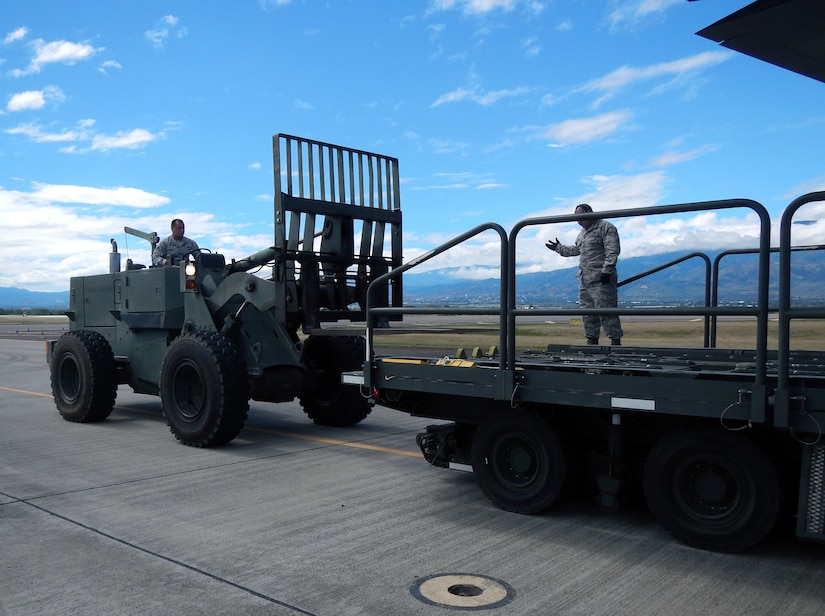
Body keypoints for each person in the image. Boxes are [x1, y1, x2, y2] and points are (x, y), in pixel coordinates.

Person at [546, 203, 623, 345]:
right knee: (588, 313)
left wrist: (607, 271)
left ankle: (615, 344)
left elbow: (612, 250)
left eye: (581, 216)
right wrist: (559, 248)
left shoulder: (606, 227)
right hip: (585, 279)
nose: (578, 221)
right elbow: (576, 250)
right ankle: (591, 342)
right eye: (576, 218)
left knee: (607, 312)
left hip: (602, 279)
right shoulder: (582, 234)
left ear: (589, 213)